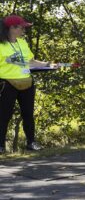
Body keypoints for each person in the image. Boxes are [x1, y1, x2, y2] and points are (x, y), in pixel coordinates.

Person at [0, 15, 55, 153]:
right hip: (7, 84)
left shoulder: (23, 43)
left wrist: (48, 64)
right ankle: (0, 146)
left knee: (28, 114)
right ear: (12, 28)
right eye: (22, 27)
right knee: (4, 115)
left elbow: (31, 62)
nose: (24, 29)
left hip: (27, 83)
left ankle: (31, 142)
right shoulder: (1, 45)